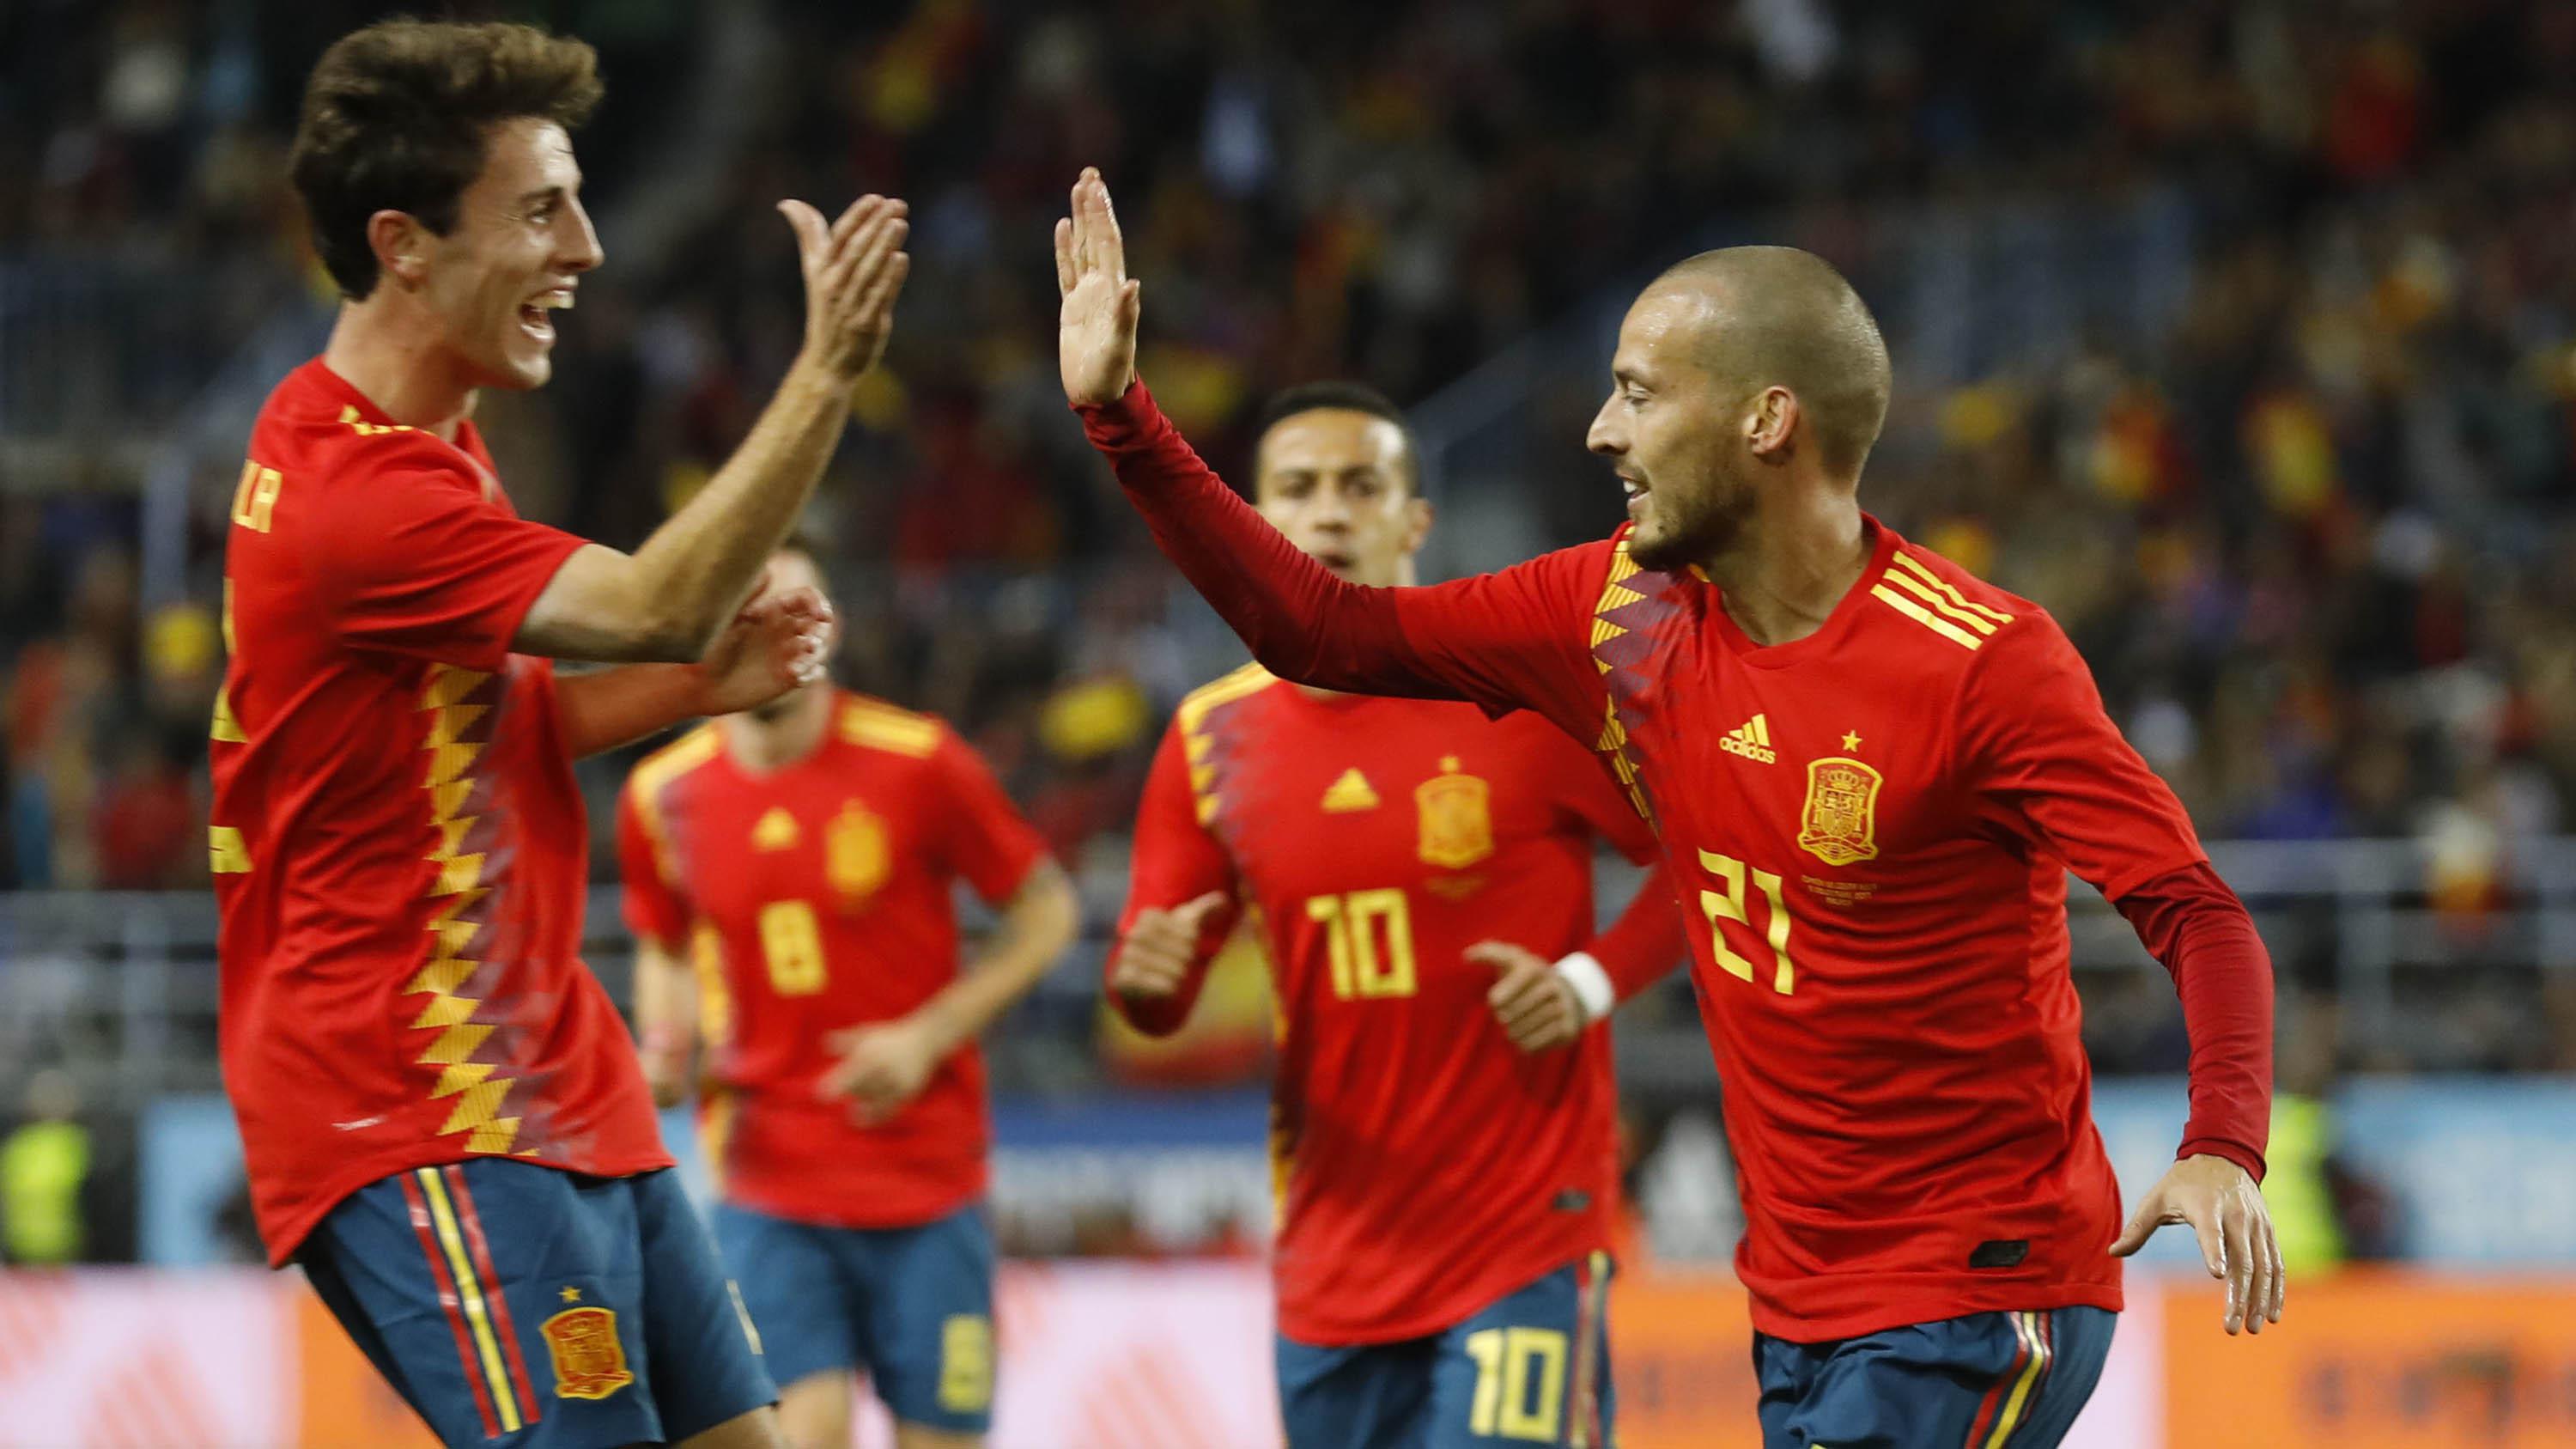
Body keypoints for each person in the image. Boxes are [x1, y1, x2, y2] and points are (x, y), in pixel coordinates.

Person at [1055, 168, 2283, 1448]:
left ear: (1766, 419)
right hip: (1798, 1296)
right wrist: (1121, 418)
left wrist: (2224, 1143)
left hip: (1978, 1286)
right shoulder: (1616, 617)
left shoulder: (1982, 662)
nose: (1599, 429)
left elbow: (2195, 908)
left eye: (1638, 392)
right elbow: (1326, 628)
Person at [208, 20, 908, 1448]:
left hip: (553, 1072)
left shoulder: (414, 445)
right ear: (404, 244)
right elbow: (656, 600)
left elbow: (481, 727)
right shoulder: (363, 501)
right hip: (413, 1095)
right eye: (543, 209)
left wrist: (694, 691)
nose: (587, 248)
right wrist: (826, 372)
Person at [1109, 381, 1685, 1449]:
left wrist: (1588, 983)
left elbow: (1707, 860)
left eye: (1360, 484)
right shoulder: (1207, 739)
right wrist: (1143, 985)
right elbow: (1155, 991)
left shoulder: (1525, 697)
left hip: (1525, 1234)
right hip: (1335, 1255)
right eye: (1298, 488)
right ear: (1258, 522)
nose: (1329, 511)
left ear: (1417, 520)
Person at [615, 543, 1080, 1449]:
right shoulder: (660, 796)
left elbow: (1049, 912)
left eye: (794, 608)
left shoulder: (920, 762)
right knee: (803, 1431)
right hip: (767, 1177)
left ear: (830, 625)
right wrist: (666, 1040)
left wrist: (928, 1035)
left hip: (929, 1181)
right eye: (745, 609)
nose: (770, 630)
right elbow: (664, 944)